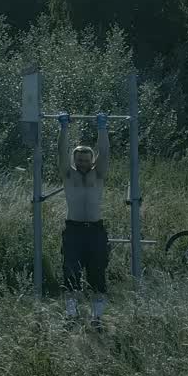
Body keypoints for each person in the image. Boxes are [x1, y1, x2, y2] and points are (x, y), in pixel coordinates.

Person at [57, 112, 110, 327]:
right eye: (79, 160)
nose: (83, 163)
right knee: (71, 272)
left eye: (86, 160)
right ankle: (71, 316)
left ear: (92, 160)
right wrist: (63, 128)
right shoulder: (69, 175)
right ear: (75, 160)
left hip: (96, 230)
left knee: (97, 273)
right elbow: (61, 151)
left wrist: (102, 127)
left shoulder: (98, 175)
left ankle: (96, 318)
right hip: (74, 229)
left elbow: (105, 151)